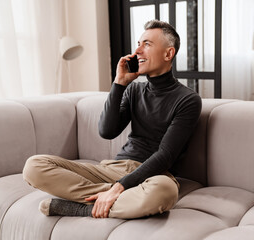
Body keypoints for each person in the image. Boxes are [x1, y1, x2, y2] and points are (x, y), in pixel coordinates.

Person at [22, 19, 202, 219]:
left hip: (153, 176)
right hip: (113, 169)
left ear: (168, 53)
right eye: (138, 44)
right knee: (34, 166)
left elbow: (166, 155)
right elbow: (107, 131)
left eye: (147, 44)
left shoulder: (188, 100)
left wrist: (119, 187)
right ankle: (113, 200)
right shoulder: (134, 90)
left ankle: (84, 208)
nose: (137, 51)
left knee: (165, 191)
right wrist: (119, 83)